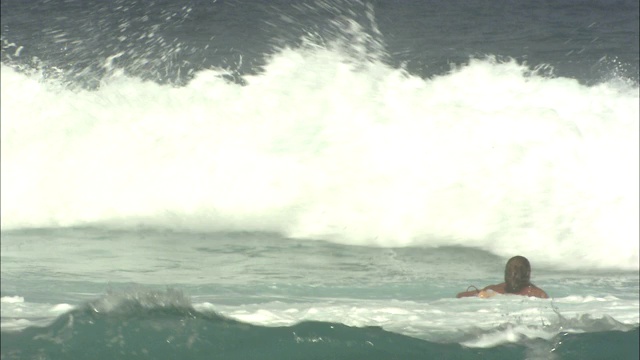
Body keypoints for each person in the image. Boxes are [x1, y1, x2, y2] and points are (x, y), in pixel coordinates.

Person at [456, 255, 548, 299]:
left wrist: (480, 294)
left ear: (506, 273)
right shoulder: (538, 294)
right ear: (528, 273)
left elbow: (460, 296)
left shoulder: (494, 290)